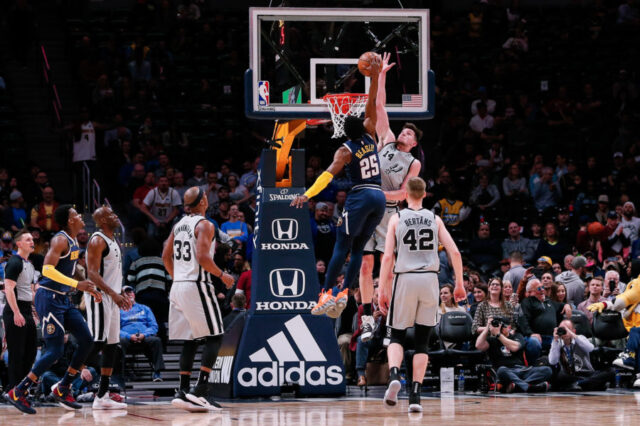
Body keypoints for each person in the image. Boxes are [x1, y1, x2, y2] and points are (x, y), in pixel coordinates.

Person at [291, 54, 384, 320]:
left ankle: (326, 293)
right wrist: (375, 77)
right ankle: (343, 293)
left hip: (361, 196)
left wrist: (307, 194)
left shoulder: (345, 150)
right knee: (358, 250)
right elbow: (372, 103)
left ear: (343, 128)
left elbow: (327, 176)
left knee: (340, 247)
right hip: (379, 198)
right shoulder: (370, 133)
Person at [378, 177, 465, 412]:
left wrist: (382, 290)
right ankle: (415, 397)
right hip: (429, 280)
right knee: (422, 341)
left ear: (405, 195)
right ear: (425, 195)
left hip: (404, 278)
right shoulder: (434, 219)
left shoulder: (397, 218)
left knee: (396, 334)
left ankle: (395, 374)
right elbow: (454, 252)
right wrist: (459, 284)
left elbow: (387, 257)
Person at [4, 205, 100, 414]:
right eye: (76, 215)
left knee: (86, 340)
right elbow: (47, 270)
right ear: (69, 220)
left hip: (63, 299)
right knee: (55, 350)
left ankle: (63, 386)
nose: (81, 217)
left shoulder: (74, 242)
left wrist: (88, 287)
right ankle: (18, 391)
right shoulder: (60, 239)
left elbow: (71, 272)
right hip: (48, 297)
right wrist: (77, 286)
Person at [359, 52, 422, 342]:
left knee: (387, 265)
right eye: (404, 130)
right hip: (368, 208)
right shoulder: (385, 139)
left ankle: (388, 317)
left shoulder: (413, 163)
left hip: (389, 211)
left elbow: (405, 193)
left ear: (414, 142)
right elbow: (380, 105)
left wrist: (378, 193)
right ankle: (368, 317)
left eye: (409, 133)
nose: (404, 134)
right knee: (365, 263)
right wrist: (380, 75)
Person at [162, 186, 235, 411]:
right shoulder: (205, 224)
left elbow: (165, 256)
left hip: (179, 286)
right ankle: (201, 390)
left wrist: (179, 278)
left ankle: (183, 391)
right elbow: (203, 258)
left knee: (191, 338)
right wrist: (222, 275)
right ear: (203, 200)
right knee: (215, 335)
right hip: (196, 285)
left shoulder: (179, 225)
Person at [84, 206, 131, 409]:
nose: (116, 215)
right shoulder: (97, 240)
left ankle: (102, 395)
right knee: (97, 342)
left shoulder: (113, 240)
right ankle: (64, 384)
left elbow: (112, 274)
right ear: (102, 220)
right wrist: (113, 294)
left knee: (112, 345)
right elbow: (92, 273)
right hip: (99, 296)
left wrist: (120, 295)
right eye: (111, 214)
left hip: (112, 297)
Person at [475, 316, 552, 393]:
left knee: (547, 370)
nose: (500, 328)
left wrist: (499, 335)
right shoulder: (492, 340)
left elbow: (515, 347)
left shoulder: (517, 336)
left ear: (509, 327)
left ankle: (519, 386)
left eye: (502, 326)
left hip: (522, 370)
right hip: (506, 371)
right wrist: (487, 328)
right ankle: (528, 386)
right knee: (501, 370)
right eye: (499, 326)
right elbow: (478, 346)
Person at [2, 230, 37, 390]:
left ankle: (22, 389)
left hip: (27, 310)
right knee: (16, 354)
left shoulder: (29, 264)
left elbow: (30, 291)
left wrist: (35, 311)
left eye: (32, 239)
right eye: (28, 239)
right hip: (14, 310)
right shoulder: (14, 262)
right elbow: (9, 289)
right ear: (19, 244)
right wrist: (16, 312)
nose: (32, 241)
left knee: (31, 353)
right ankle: (13, 390)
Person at [549, 319, 613, 391]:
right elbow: (552, 361)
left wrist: (573, 335)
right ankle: (587, 384)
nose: (564, 331)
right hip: (569, 376)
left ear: (574, 331)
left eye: (567, 329)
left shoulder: (580, 338)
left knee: (610, 371)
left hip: (586, 373)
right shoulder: (557, 342)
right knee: (559, 376)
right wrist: (555, 341)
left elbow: (591, 349)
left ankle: (578, 384)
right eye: (562, 329)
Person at [119, 286, 165, 382]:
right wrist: (128, 336)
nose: (129, 294)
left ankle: (157, 373)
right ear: (121, 296)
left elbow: (154, 326)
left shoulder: (145, 308)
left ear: (134, 294)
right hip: (127, 338)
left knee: (156, 341)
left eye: (130, 292)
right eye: (126, 293)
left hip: (144, 337)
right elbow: (115, 329)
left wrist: (144, 334)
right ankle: (119, 375)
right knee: (119, 342)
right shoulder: (118, 310)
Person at [518, 278, 569, 363]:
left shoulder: (549, 301)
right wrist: (531, 333)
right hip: (536, 337)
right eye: (538, 288)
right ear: (530, 293)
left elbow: (561, 305)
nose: (542, 290)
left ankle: (563, 368)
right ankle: (533, 366)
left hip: (552, 336)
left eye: (542, 288)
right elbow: (523, 320)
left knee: (567, 340)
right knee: (534, 342)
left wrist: (567, 305)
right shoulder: (527, 302)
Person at [140, 175, 181, 240]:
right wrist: (154, 219)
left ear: (169, 183)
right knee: (150, 236)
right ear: (158, 183)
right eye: (161, 181)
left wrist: (167, 221)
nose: (163, 183)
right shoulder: (153, 192)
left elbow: (176, 210)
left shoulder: (173, 192)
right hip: (154, 220)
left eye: (166, 181)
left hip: (169, 220)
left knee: (175, 236)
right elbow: (143, 207)